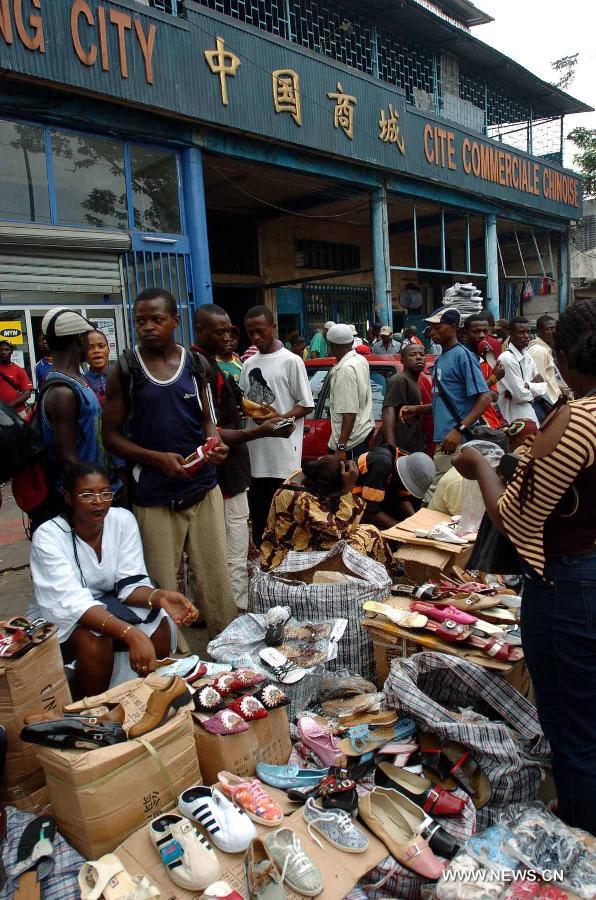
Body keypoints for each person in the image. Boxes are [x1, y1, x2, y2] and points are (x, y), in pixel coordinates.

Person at [452, 299, 596, 834]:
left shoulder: (580, 416)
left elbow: (514, 517)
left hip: (571, 585)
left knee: (574, 730)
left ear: (560, 353)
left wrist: (481, 465)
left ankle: (582, 838)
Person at [102, 288, 236, 639]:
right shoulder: (126, 369)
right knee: (159, 584)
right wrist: (156, 460)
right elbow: (111, 437)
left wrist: (215, 443)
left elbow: (208, 419)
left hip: (203, 488)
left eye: (156, 319)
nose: (147, 327)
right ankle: (173, 664)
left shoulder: (196, 364)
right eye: (140, 321)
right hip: (155, 495)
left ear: (175, 321)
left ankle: (231, 651)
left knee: (216, 578)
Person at [29, 463, 198, 698]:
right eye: (87, 495)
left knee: (159, 624)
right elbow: (71, 603)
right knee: (95, 641)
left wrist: (160, 597)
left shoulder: (121, 520)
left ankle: (142, 699)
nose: (99, 501)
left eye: (105, 493)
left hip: (108, 603)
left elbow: (129, 583)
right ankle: (91, 710)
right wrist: (131, 634)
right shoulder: (48, 536)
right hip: (61, 615)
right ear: (68, 498)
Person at [193, 304, 295, 608]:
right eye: (220, 331)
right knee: (233, 545)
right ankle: (234, 607)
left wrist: (270, 417)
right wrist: (260, 431)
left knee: (224, 543)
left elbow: (244, 406)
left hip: (230, 471)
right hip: (225, 475)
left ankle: (214, 604)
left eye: (230, 331)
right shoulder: (202, 368)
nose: (228, 338)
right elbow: (211, 429)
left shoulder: (216, 365)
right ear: (201, 331)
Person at [399, 308, 492, 502]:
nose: (432, 332)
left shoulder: (462, 356)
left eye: (437, 327)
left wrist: (459, 430)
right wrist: (416, 409)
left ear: (452, 328)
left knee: (434, 501)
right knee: (451, 500)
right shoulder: (441, 360)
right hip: (444, 441)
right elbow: (444, 402)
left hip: (457, 442)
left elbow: (484, 398)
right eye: (431, 328)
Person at [239, 305, 314, 546]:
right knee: (260, 520)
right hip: (255, 456)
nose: (256, 337)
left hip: (283, 458)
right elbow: (245, 402)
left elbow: (306, 404)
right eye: (251, 333)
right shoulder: (249, 364)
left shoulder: (291, 362)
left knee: (285, 517)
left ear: (273, 327)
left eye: (260, 331)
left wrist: (279, 417)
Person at [39, 308, 117, 516]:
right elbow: (69, 460)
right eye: (86, 337)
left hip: (96, 492)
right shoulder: (62, 392)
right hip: (86, 501)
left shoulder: (77, 381)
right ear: (79, 340)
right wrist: (92, 499)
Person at [260, 456, 391, 571]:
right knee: (352, 549)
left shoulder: (306, 474)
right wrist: (346, 489)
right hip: (283, 559)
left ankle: (390, 572)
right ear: (325, 489)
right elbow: (342, 531)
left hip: (304, 541)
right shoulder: (301, 500)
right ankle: (372, 579)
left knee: (371, 532)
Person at [354, 446, 436, 529]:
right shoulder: (381, 464)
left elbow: (402, 498)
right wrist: (401, 528)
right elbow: (370, 511)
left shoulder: (408, 463)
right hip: (353, 500)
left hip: (376, 496)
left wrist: (415, 522)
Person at [326, 324, 374, 461]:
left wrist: (341, 447)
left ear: (331, 345)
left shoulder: (345, 369)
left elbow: (349, 412)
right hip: (360, 433)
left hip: (351, 442)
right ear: (352, 342)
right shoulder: (360, 359)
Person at [496, 317, 550, 425]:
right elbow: (520, 395)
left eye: (528, 332)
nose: (526, 336)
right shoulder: (507, 359)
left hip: (533, 412)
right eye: (521, 333)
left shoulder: (527, 356)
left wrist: (528, 386)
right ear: (511, 333)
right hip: (516, 417)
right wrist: (532, 386)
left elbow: (544, 386)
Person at [382, 345, 431, 454]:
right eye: (413, 355)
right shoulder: (399, 379)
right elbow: (388, 411)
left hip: (411, 446)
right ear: (402, 360)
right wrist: (392, 448)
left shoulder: (413, 381)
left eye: (422, 355)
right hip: (400, 447)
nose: (418, 357)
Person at [461, 314, 504, 430]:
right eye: (476, 331)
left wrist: (485, 391)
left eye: (485, 332)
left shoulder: (484, 360)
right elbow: (470, 394)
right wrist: (494, 378)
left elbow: (494, 395)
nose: (482, 336)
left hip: (488, 422)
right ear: (465, 334)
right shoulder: (461, 358)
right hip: (467, 423)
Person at [527, 314, 568, 403]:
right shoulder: (539, 351)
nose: (554, 332)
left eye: (555, 328)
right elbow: (539, 385)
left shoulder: (546, 349)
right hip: (549, 403)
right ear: (539, 332)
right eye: (549, 329)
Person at [0, 340, 32, 418]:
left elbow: (27, 394)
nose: (4, 352)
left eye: (7, 349)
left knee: (21, 430)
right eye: (1, 350)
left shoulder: (19, 370)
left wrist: (9, 405)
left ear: (11, 352)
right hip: (1, 414)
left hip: (18, 412)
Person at [84, 329, 111, 406]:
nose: (96, 351)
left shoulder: (123, 376)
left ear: (108, 349)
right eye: (90, 348)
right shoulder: (82, 383)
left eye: (101, 346)